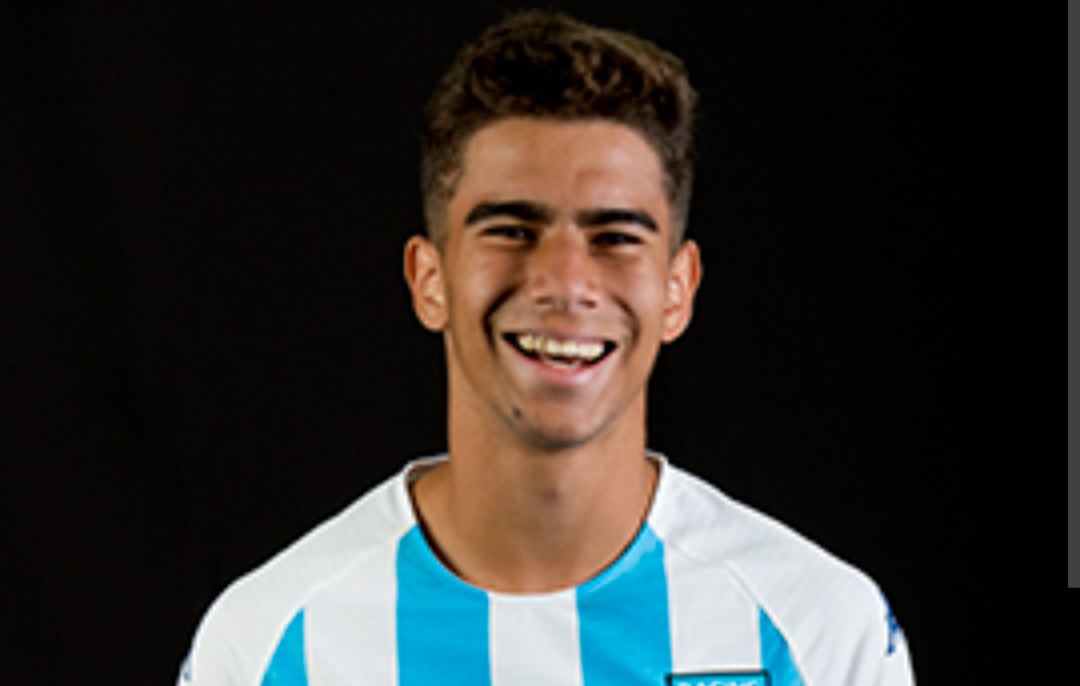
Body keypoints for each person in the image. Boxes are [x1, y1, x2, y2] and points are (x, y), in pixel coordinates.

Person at [178, 10, 914, 685]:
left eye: (615, 237)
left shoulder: (819, 632)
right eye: (511, 230)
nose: (564, 283)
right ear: (429, 279)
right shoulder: (270, 644)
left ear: (677, 290)